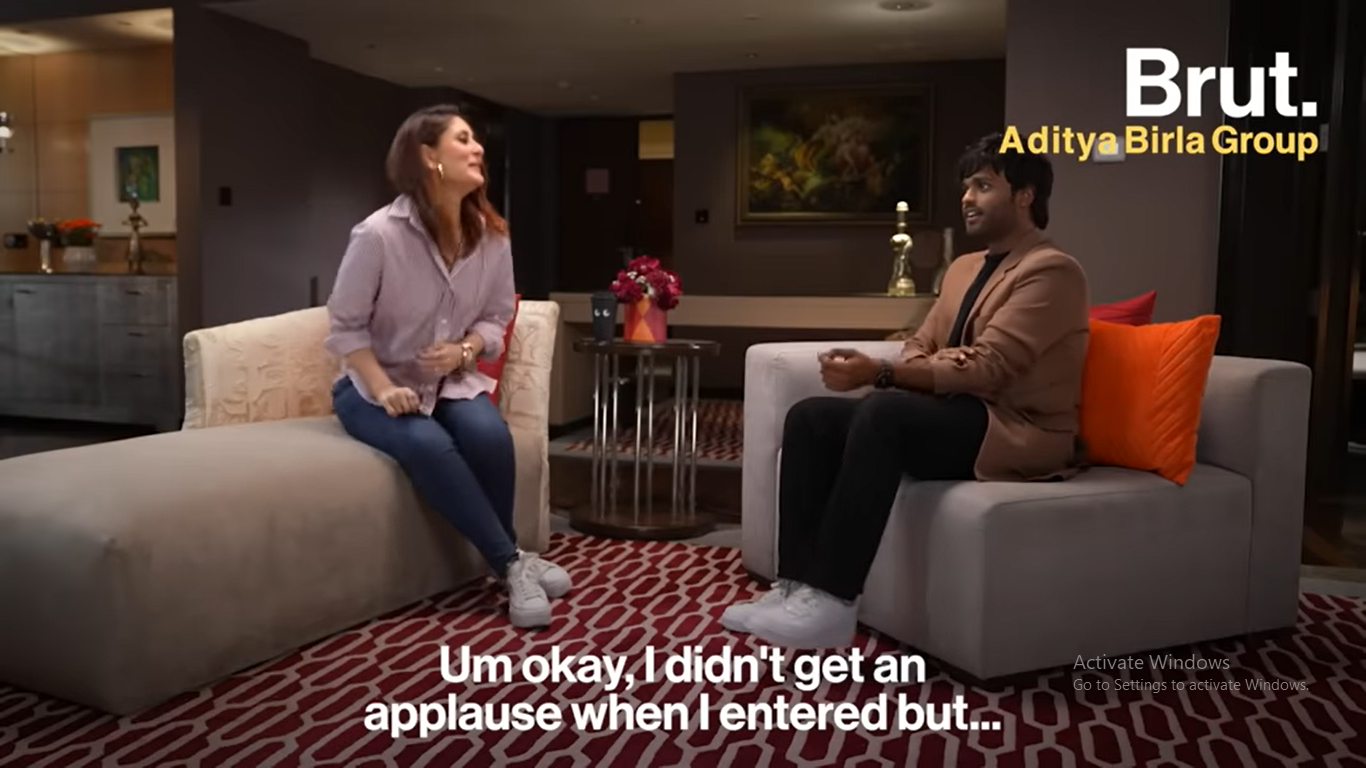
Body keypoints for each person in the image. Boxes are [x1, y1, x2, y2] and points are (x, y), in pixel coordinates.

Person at [722, 132, 1090, 649]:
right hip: (956, 411)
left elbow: (989, 368)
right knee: (811, 416)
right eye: (966, 186)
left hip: (1015, 429)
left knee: (883, 413)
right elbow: (920, 343)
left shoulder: (1053, 271)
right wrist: (938, 365)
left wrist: (884, 372)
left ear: (1025, 196)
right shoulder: (964, 268)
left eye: (984, 186)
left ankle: (832, 602)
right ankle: (796, 586)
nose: (967, 198)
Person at [324, 104, 570, 630]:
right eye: (462, 139)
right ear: (427, 156)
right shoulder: (377, 235)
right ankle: (511, 563)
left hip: (449, 383)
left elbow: (496, 317)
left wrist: (464, 351)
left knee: (490, 436)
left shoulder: (492, 236)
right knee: (428, 444)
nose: (478, 148)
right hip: (372, 389)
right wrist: (384, 389)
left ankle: (508, 561)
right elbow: (345, 329)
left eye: (476, 140)